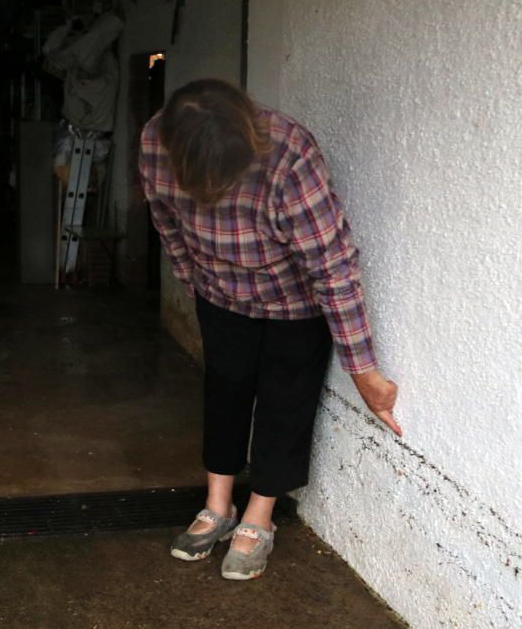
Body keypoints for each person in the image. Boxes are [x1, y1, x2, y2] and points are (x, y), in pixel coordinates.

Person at [138, 79, 400, 581]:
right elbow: (165, 218)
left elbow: (333, 266)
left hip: (295, 302)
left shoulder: (289, 156)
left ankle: (259, 515)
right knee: (225, 389)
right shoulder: (156, 140)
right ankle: (218, 505)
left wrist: (363, 370)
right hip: (218, 293)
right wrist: (191, 279)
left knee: (285, 399)